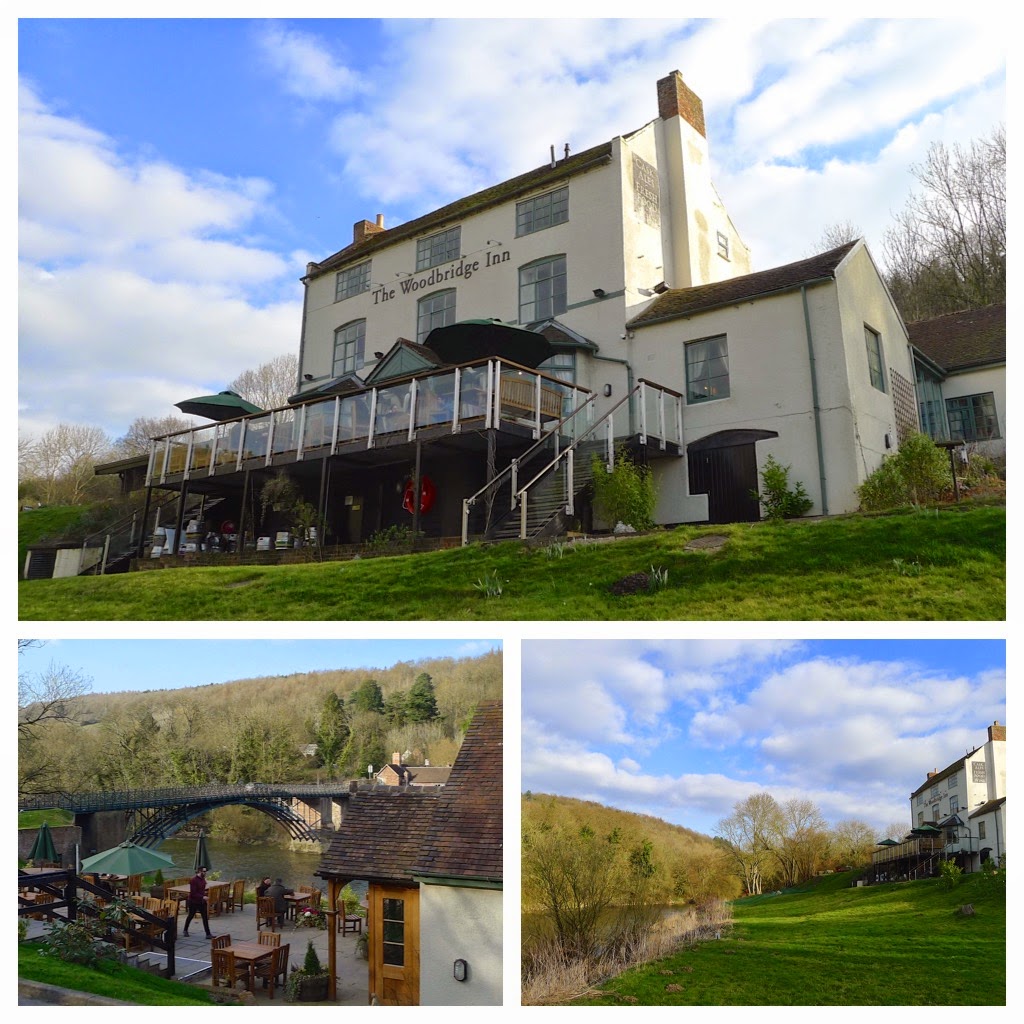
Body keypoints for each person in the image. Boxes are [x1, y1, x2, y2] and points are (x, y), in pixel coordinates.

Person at [182, 866, 215, 939]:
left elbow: (202, 889)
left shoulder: (202, 879)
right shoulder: (193, 880)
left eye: (205, 871)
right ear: (200, 871)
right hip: (193, 901)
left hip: (201, 901)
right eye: (204, 871)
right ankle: (185, 930)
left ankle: (208, 934)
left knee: (205, 917)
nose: (205, 873)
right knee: (191, 915)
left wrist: (205, 894)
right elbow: (193, 893)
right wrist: (202, 897)